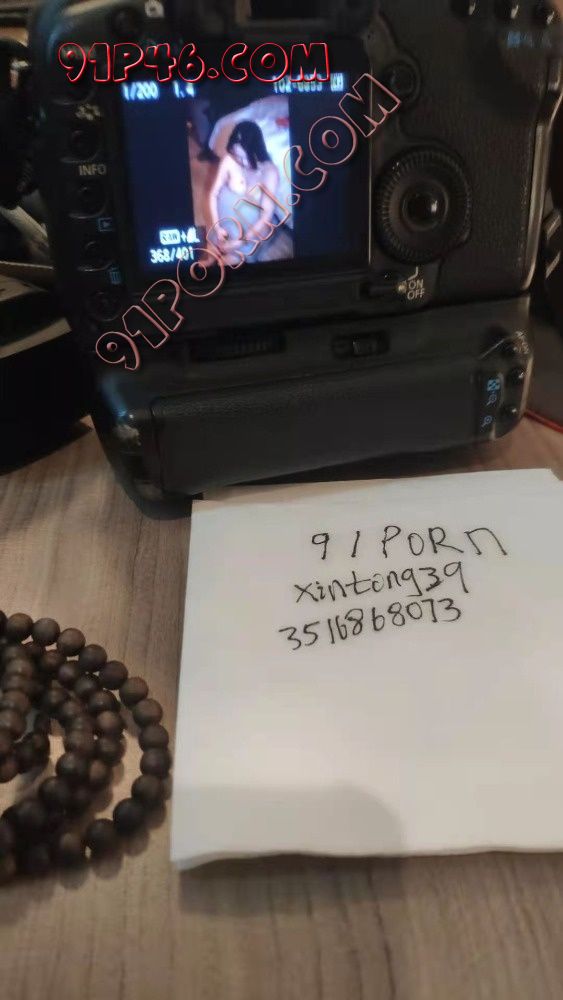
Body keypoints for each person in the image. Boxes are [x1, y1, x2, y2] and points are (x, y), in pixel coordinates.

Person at [207, 120, 291, 264]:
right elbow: (213, 194)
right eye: (238, 156)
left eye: (246, 157)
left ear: (256, 151)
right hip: (227, 224)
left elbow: (265, 218)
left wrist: (239, 243)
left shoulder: (269, 172)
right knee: (208, 258)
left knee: (228, 263)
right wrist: (217, 226)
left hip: (252, 233)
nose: (243, 162)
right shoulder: (230, 160)